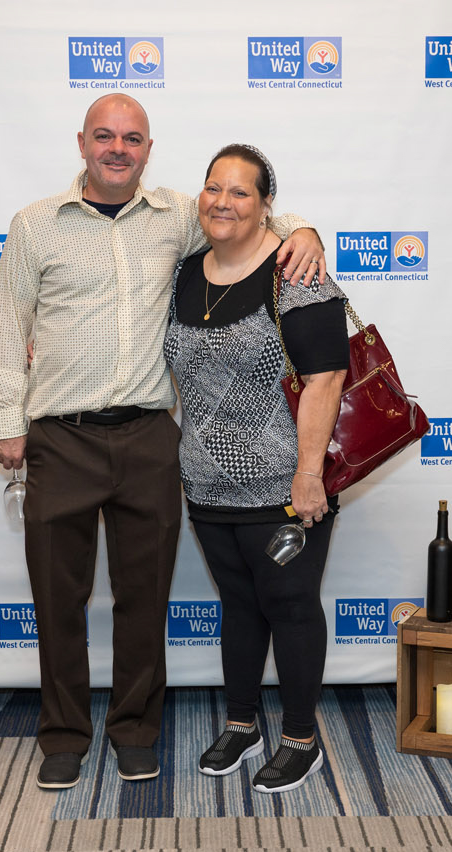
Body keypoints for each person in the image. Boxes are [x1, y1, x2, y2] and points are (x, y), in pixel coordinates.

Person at [0, 95, 326, 790]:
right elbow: (5, 320)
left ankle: (136, 731)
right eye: (104, 136)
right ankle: (63, 736)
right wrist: (7, 418)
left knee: (145, 598)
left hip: (147, 438)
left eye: (132, 138)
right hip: (59, 436)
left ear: (148, 148)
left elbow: (251, 222)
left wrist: (304, 228)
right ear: (81, 142)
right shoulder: (34, 225)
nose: (118, 148)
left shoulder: (178, 216)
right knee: (57, 598)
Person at [163, 144, 349, 793]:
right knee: (239, 608)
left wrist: (307, 474)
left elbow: (327, 377)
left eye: (241, 192)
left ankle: (301, 739)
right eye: (214, 187)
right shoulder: (185, 272)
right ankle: (241, 724)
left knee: (290, 605)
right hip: (208, 491)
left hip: (282, 490)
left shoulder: (296, 269)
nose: (223, 201)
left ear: (266, 203)